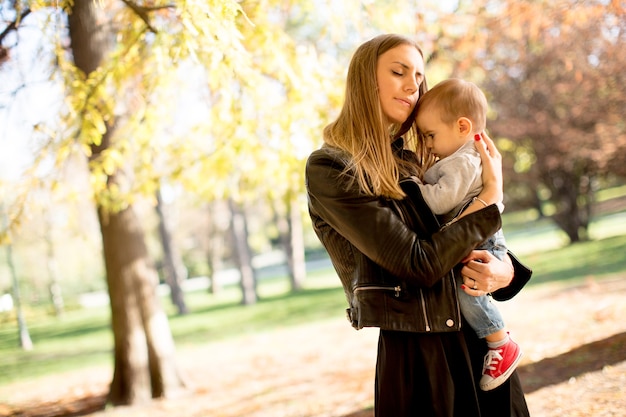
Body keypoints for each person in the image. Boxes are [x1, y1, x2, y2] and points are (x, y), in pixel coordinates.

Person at [305, 33, 532, 416]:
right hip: (419, 358)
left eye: (419, 76)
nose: (413, 85)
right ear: (366, 82)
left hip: (481, 344)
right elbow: (418, 264)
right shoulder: (332, 169)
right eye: (399, 72)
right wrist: (490, 197)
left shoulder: (416, 160)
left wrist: (505, 271)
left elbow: (466, 239)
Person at [414, 78, 522, 391]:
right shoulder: (459, 157)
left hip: (482, 239)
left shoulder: (462, 160)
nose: (429, 145)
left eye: (431, 135)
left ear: (462, 126)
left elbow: (440, 200)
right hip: (478, 234)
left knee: (467, 290)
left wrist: (413, 188)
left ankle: (500, 341)